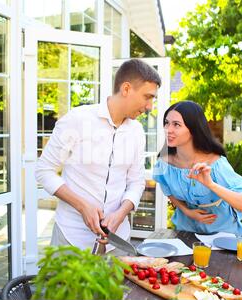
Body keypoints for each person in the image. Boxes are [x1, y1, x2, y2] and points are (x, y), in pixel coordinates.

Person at [36, 59, 161, 253]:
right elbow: (44, 170)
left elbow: (136, 182)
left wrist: (121, 213)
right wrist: (82, 206)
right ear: (126, 89)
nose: (150, 106)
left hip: (117, 241)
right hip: (71, 238)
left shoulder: (137, 132)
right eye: (147, 97)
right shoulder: (76, 120)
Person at [153, 101, 242, 236]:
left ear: (194, 129)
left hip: (222, 235)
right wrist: (187, 212)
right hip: (185, 232)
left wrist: (210, 184)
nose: (168, 129)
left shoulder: (216, 164)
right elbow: (167, 189)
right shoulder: (165, 163)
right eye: (166, 123)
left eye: (176, 124)